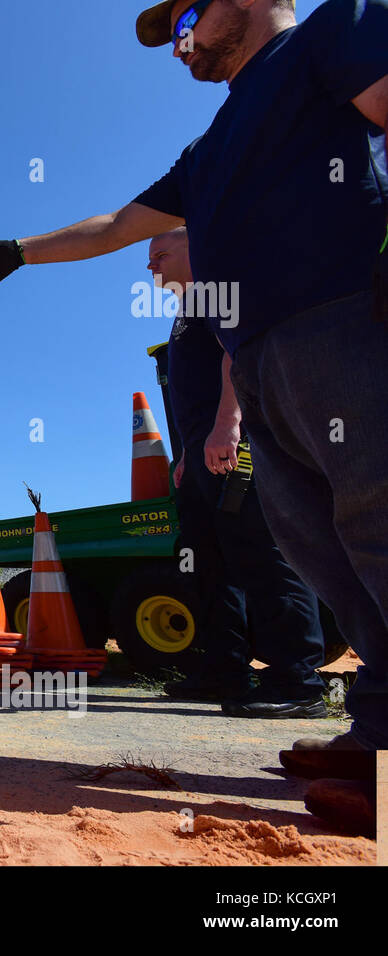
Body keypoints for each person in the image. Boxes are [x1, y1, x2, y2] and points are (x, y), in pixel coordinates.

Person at [0, 0, 385, 835]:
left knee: (381, 524)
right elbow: (123, 225)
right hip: (261, 353)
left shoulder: (330, 35)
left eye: (188, 16)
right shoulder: (208, 149)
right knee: (326, 549)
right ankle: (379, 727)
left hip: (346, 321)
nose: (180, 42)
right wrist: (21, 251)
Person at [149, 227, 326, 716]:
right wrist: (186, 452)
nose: (152, 268)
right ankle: (223, 669)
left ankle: (298, 679)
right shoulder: (186, 311)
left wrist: (229, 425)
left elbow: (237, 355)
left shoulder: (218, 290)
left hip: (235, 448)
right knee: (208, 562)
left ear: (195, 248)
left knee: (263, 555)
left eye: (160, 254)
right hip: (201, 455)